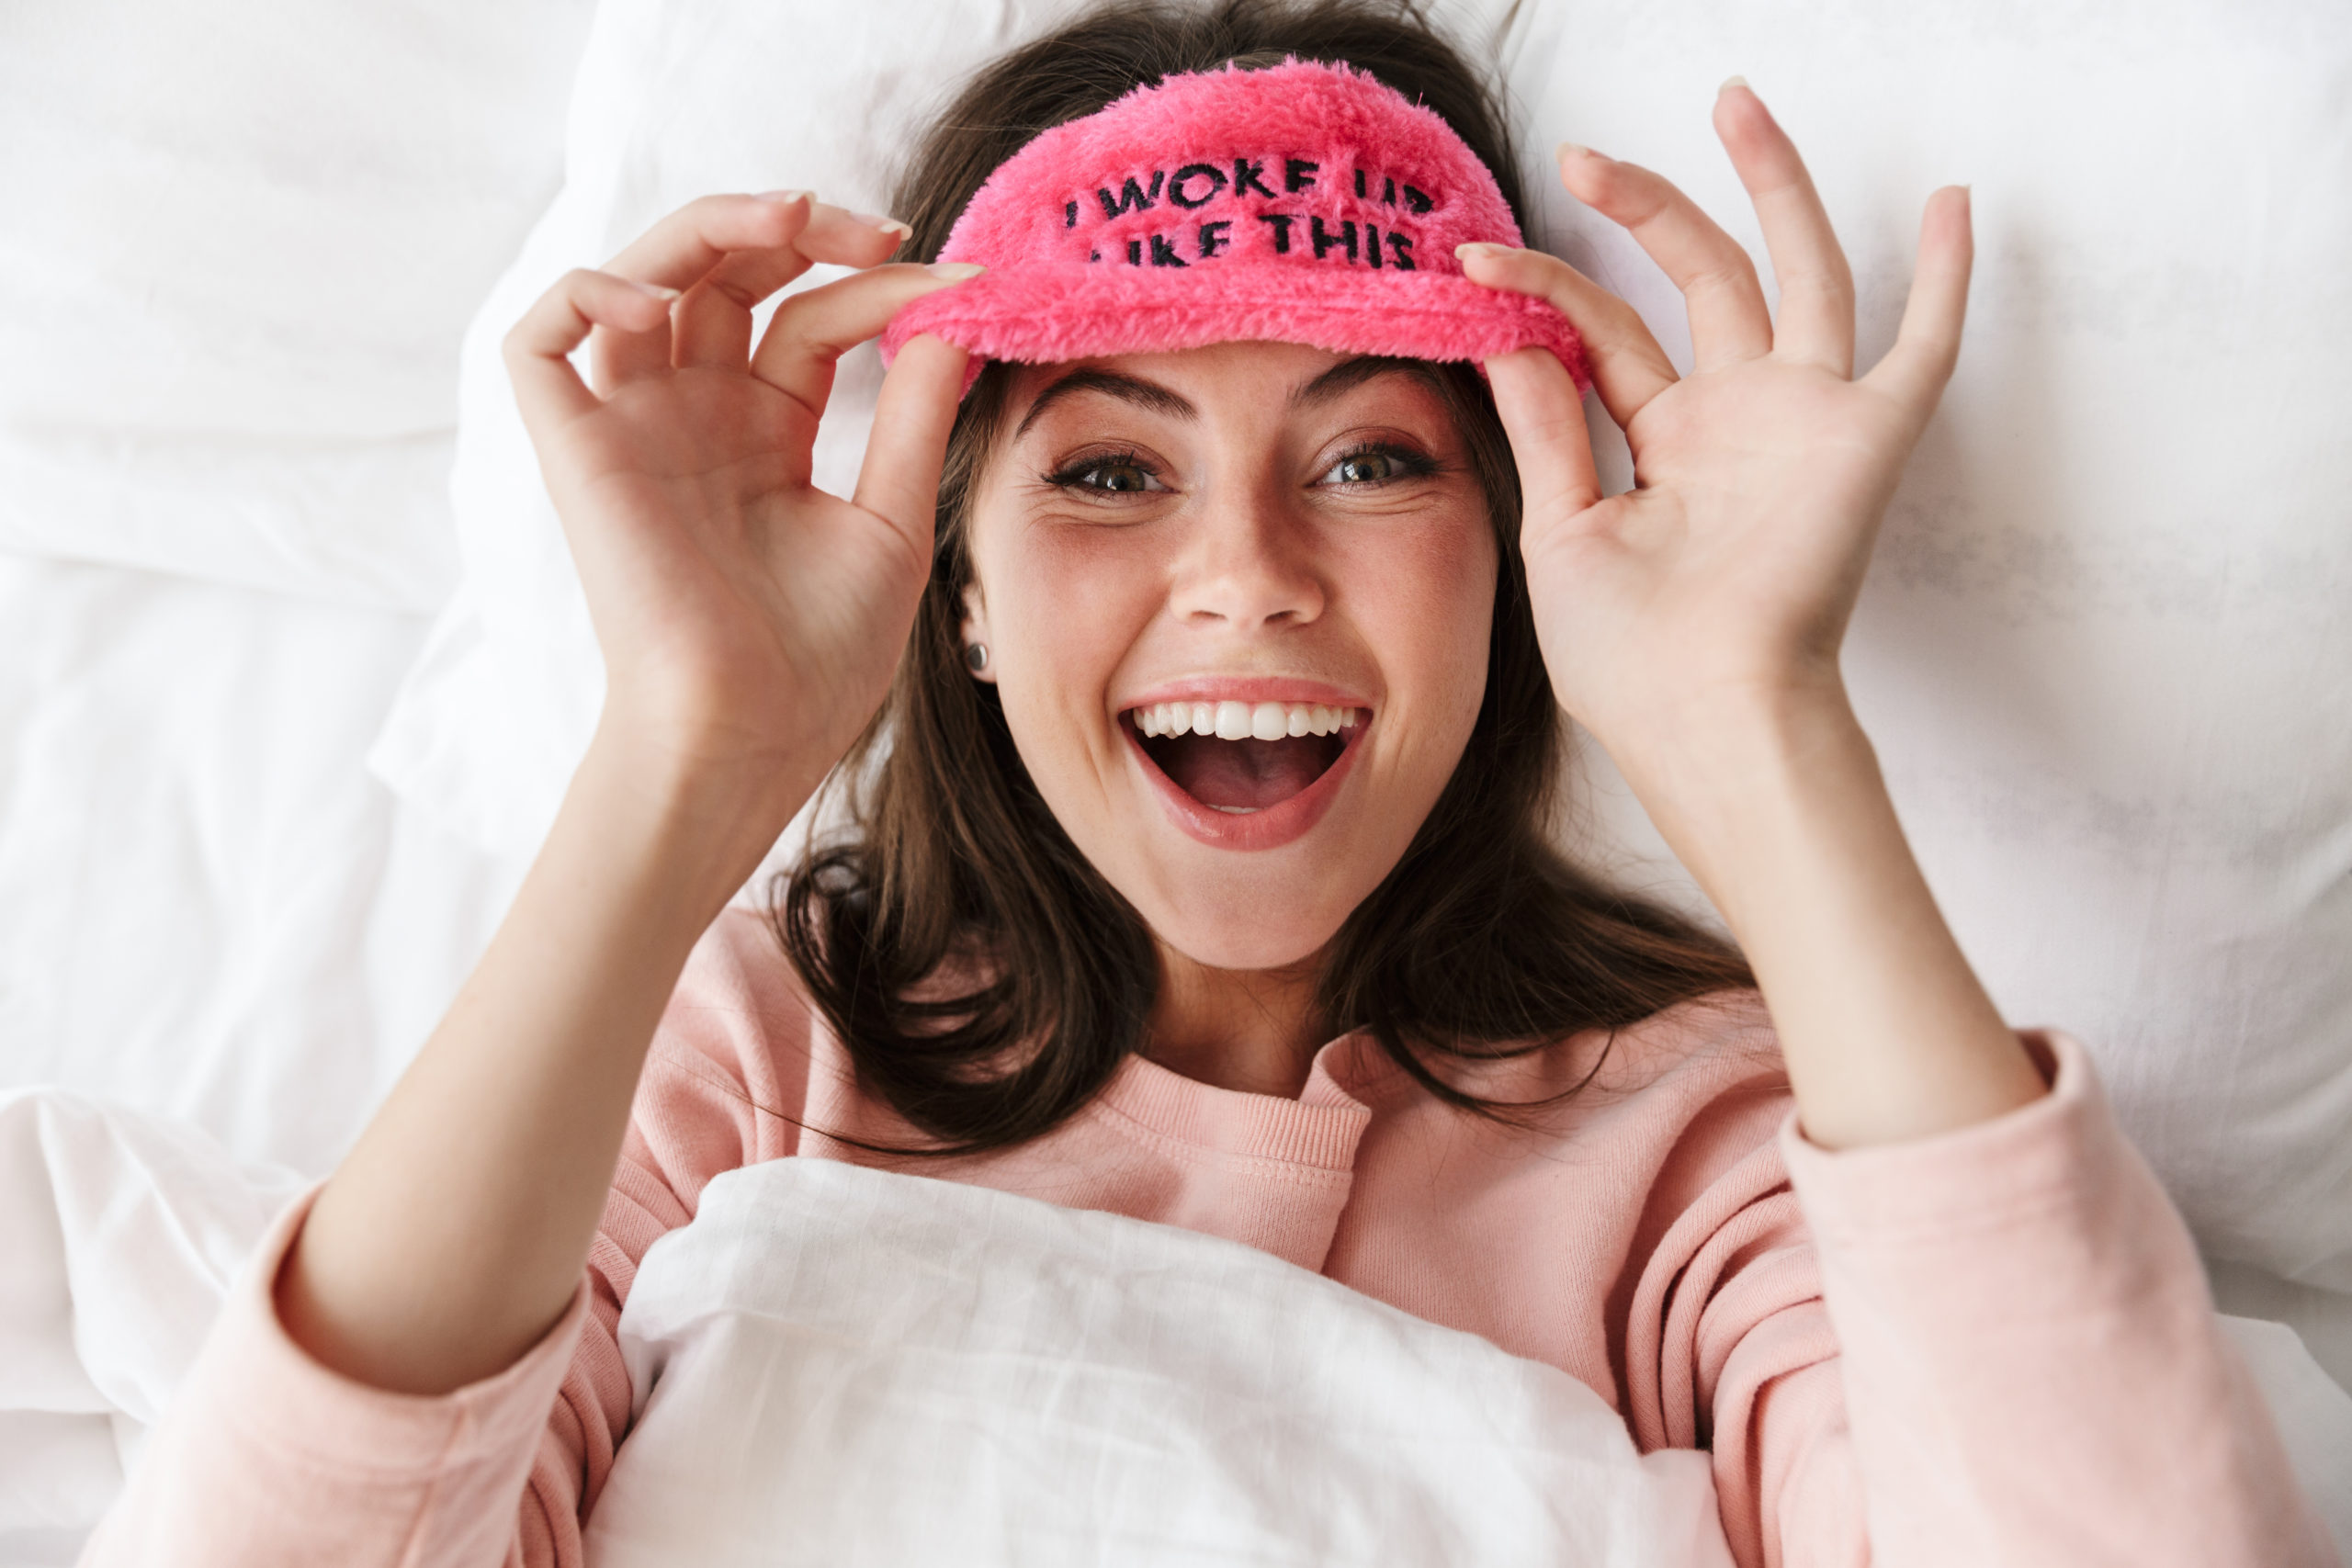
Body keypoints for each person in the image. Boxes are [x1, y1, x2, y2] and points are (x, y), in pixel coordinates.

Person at [82, 2, 2334, 1564]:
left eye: (1368, 455)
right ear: (944, 587)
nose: (1243, 577)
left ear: (1512, 559)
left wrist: (1763, 724)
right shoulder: (756, 1054)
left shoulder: (1696, 1152)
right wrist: (684, 759)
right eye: (1103, 472)